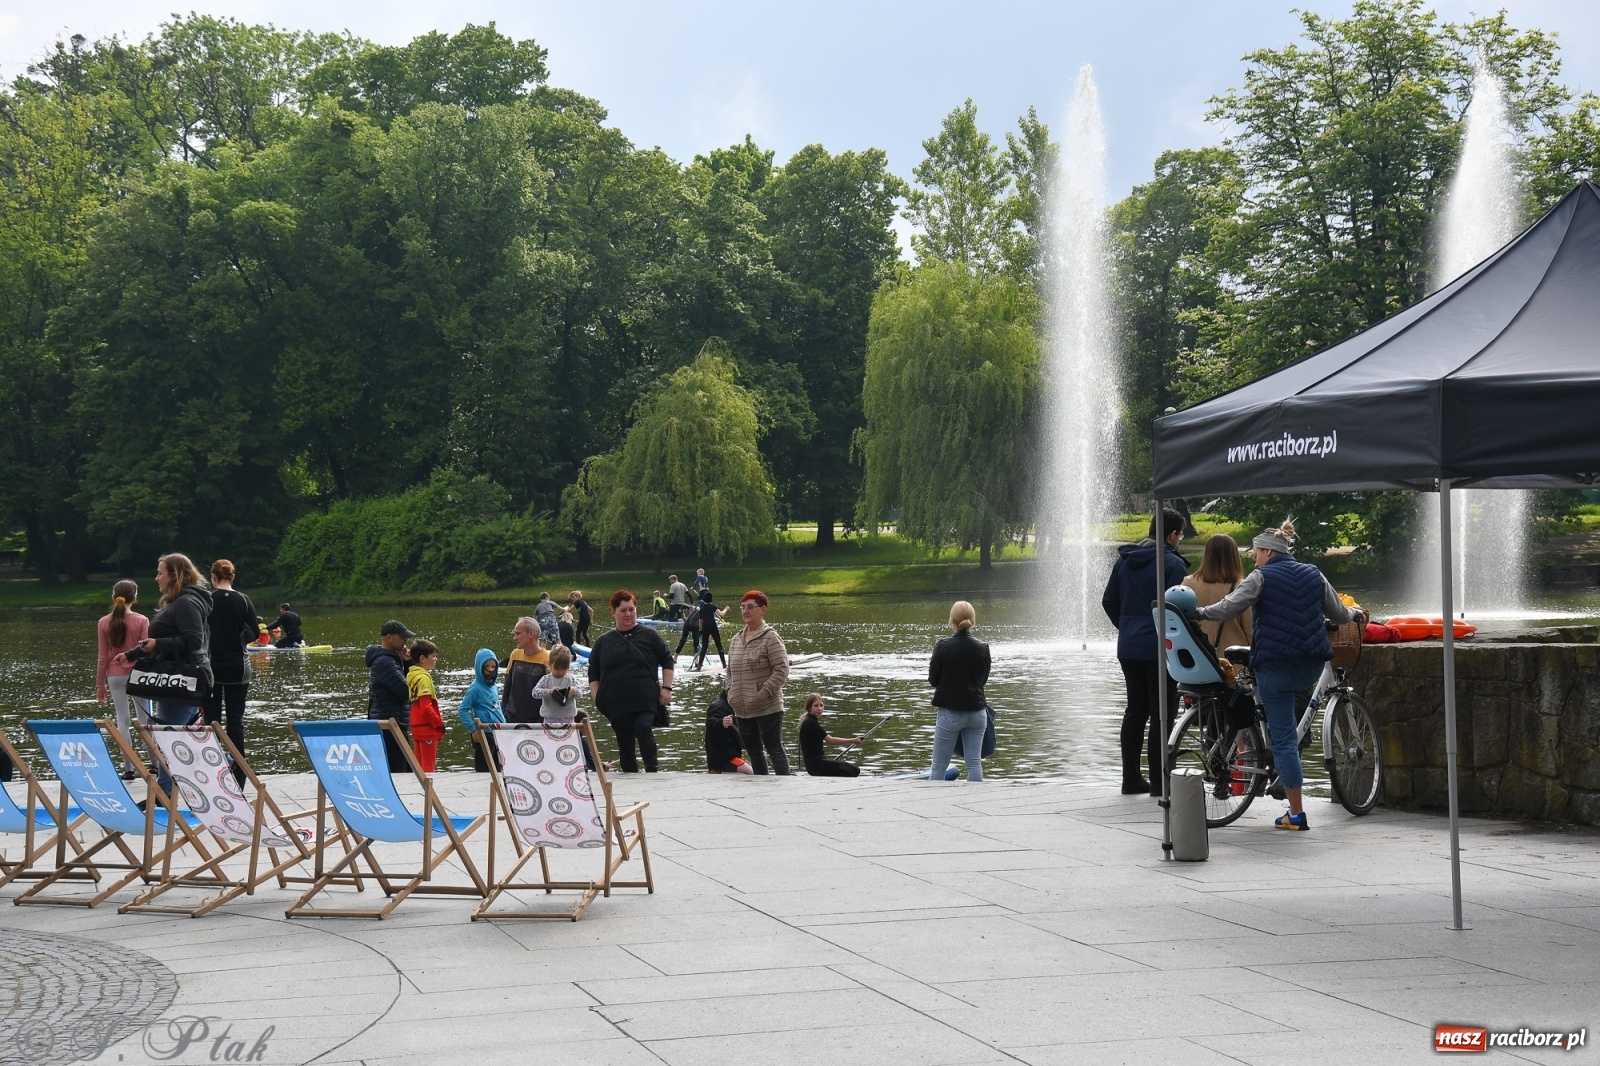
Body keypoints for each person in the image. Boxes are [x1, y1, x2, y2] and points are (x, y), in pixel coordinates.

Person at [1192, 518, 1365, 832]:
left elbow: (1230, 607)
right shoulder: (1314, 573)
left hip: (1274, 666)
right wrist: (1355, 613)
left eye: (1256, 552)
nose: (1254, 558)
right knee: (1295, 723)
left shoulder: (1260, 577)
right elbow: (1339, 613)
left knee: (1283, 739)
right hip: (1310, 665)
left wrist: (1200, 612)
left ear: (1269, 552)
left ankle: (1296, 813)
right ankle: (1279, 767)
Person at [1102, 508, 1189, 796]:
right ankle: (1158, 782)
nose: (1180, 540)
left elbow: (1108, 601)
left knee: (1135, 711)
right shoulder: (1172, 564)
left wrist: (1127, 627)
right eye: (1180, 535)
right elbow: (1178, 609)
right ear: (1172, 534)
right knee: (1162, 713)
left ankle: (1130, 779)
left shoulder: (1125, 560)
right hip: (1159, 648)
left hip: (1129, 647)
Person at [113, 554, 213, 801]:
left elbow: (193, 641)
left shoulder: (187, 603)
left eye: (160, 573)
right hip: (181, 679)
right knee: (181, 739)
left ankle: (165, 794)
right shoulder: (181, 601)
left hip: (181, 681)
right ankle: (201, 780)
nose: (156, 578)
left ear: (174, 575)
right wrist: (132, 654)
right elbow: (161, 641)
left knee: (167, 739)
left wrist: (158, 643)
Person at [587, 590, 674, 773]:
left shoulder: (650, 635)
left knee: (643, 727)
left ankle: (652, 771)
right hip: (616, 702)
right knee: (624, 737)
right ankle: (630, 775)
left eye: (631, 609)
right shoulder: (603, 642)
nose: (628, 614)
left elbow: (667, 660)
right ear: (613, 612)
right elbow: (593, 672)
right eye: (623, 610)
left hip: (646, 699)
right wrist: (597, 697)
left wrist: (667, 688)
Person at [726, 590, 791, 775]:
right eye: (743, 607)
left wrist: (762, 694)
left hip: (768, 707)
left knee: (774, 749)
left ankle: (784, 785)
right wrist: (730, 692)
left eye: (750, 607)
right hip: (742, 708)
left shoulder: (771, 637)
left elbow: (782, 669)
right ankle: (761, 786)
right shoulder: (736, 639)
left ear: (763, 610)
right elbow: (729, 670)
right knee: (754, 752)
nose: (745, 611)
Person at [206, 560, 257, 787]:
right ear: (233, 577)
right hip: (238, 667)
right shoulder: (243, 600)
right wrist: (240, 636)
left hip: (212, 668)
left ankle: (213, 771)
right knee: (235, 720)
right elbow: (254, 633)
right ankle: (239, 774)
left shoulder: (207, 599)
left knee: (212, 721)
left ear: (213, 577)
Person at [927, 601, 991, 782]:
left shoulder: (943, 646)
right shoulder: (983, 647)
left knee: (939, 766)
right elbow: (983, 681)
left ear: (952, 620)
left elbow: (933, 680)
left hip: (950, 712)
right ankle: (975, 797)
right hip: (977, 713)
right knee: (974, 764)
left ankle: (934, 799)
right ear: (973, 620)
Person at [96, 579, 149, 778]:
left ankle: (128, 768)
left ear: (113, 598)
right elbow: (146, 651)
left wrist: (100, 685)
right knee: (144, 720)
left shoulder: (104, 622)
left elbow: (102, 657)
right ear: (134, 598)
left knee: (122, 720)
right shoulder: (142, 620)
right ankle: (154, 763)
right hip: (138, 675)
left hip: (114, 675)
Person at [1184, 534, 1254, 654]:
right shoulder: (1241, 587)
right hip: (1233, 656)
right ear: (1234, 557)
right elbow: (1249, 628)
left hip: (1199, 654)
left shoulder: (1188, 583)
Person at [366, 620, 413, 771]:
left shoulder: (390, 659)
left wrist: (407, 663)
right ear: (389, 637)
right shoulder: (385, 662)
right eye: (402, 637)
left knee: (405, 769)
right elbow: (405, 691)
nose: (406, 640)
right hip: (390, 726)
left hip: (392, 724)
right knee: (398, 772)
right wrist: (413, 667)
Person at [457, 648, 505, 773]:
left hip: (498, 731)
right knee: (484, 768)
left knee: (499, 767)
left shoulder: (494, 686)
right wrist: (473, 729)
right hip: (484, 733)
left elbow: (497, 708)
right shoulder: (475, 688)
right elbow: (462, 710)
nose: (490, 670)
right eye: (486, 666)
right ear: (479, 667)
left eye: (493, 667)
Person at [406, 639, 445, 774]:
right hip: (427, 728)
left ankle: (419, 787)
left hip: (416, 726)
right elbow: (426, 707)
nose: (436, 659)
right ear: (423, 658)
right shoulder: (423, 678)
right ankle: (429, 788)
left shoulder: (412, 676)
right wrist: (439, 723)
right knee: (428, 768)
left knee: (419, 767)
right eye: (433, 656)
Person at [799, 694, 862, 777]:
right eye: (816, 706)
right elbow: (830, 741)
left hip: (817, 764)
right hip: (816, 766)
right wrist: (853, 740)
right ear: (809, 708)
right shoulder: (810, 723)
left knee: (854, 769)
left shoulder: (811, 721)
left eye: (821, 705)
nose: (819, 708)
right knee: (853, 770)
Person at [502, 616, 551, 723]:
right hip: (511, 720)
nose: (515, 638)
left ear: (531, 634)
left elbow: (551, 697)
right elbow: (507, 690)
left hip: (537, 723)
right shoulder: (515, 654)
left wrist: (541, 721)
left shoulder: (548, 659)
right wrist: (503, 716)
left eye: (518, 633)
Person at [705, 704, 751, 775]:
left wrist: (755, 751)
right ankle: (717, 772)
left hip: (733, 756)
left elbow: (738, 738)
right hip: (723, 759)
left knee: (756, 767)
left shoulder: (735, 707)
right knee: (753, 773)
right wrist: (721, 722)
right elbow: (710, 722)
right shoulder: (718, 706)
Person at [691, 590, 727, 670]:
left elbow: (700, 621)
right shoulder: (713, 606)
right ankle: (724, 665)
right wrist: (726, 609)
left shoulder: (701, 608)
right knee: (719, 645)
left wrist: (701, 630)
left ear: (704, 599)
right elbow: (721, 614)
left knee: (704, 647)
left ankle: (699, 666)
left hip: (705, 627)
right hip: (713, 626)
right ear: (711, 599)